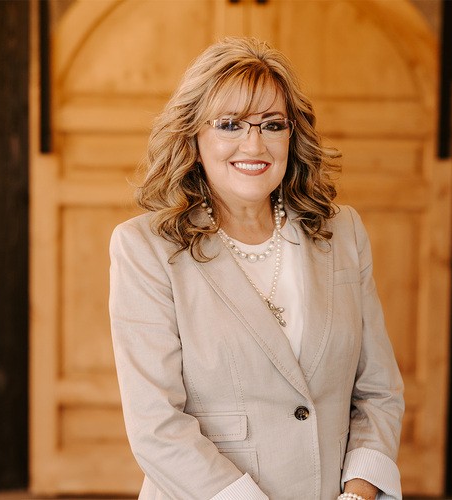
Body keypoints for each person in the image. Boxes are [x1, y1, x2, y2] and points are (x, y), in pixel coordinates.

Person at [109, 37, 404, 500]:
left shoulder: (343, 232)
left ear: (292, 135)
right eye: (230, 124)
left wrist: (359, 493)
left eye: (272, 124)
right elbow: (156, 425)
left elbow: (378, 392)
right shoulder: (145, 248)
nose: (254, 143)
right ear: (193, 137)